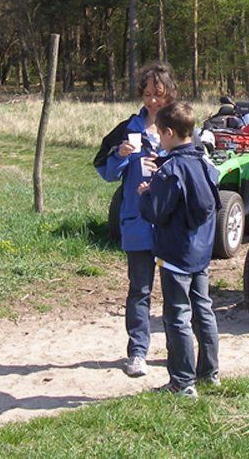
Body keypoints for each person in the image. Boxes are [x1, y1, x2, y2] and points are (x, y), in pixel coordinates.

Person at [93, 63, 177, 378]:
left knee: (174, 291)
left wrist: (167, 163)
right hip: (138, 222)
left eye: (158, 94)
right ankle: (138, 353)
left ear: (169, 93)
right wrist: (121, 156)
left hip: (171, 224)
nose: (153, 101)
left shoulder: (180, 127)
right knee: (139, 290)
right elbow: (105, 171)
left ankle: (176, 350)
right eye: (147, 94)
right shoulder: (127, 128)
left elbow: (197, 165)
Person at [137, 102, 220, 399]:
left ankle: (182, 383)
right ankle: (209, 373)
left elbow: (156, 212)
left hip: (175, 256)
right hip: (201, 253)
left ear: (169, 133)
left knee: (178, 316)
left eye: (160, 134)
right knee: (204, 310)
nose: (159, 139)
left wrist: (146, 195)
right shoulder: (206, 163)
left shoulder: (170, 171)